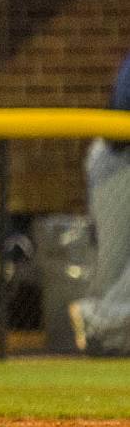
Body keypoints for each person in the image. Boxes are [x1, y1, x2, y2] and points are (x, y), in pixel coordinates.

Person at [71, 50, 130, 354]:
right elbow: (121, 112)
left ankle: (98, 322)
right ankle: (101, 328)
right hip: (118, 162)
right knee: (113, 266)